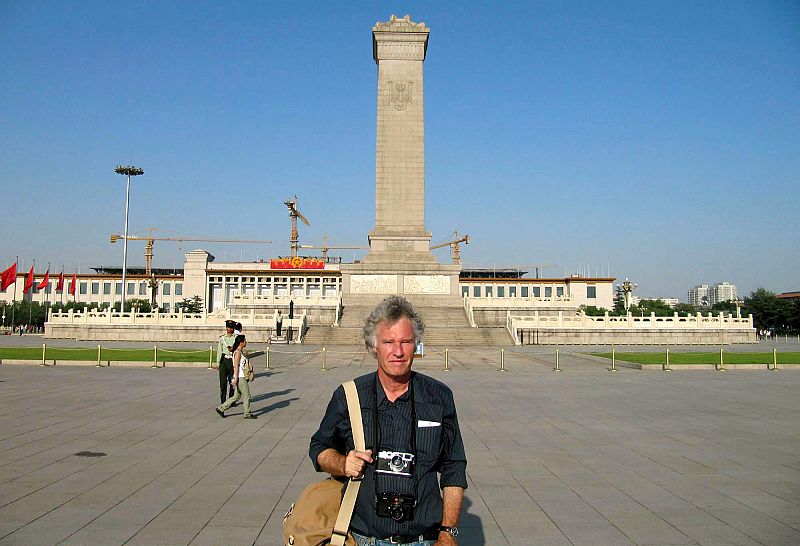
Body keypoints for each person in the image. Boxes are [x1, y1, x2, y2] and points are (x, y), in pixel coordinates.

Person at [310, 296, 467, 546]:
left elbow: (454, 465)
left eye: (406, 341)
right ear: (374, 345)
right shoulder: (349, 396)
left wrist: (448, 532)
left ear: (416, 345)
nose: (398, 351)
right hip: (364, 538)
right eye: (388, 342)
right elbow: (319, 448)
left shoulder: (439, 397)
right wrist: (342, 463)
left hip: (424, 539)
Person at [215, 334, 257, 419]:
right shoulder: (237, 353)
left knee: (236, 396)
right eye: (244, 341)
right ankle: (247, 413)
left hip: (241, 376)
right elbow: (236, 366)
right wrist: (236, 378)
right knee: (247, 395)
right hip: (240, 377)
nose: (246, 342)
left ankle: (221, 408)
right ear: (241, 342)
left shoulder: (239, 351)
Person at [217, 320, 237, 404]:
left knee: (232, 382)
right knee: (223, 383)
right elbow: (219, 351)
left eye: (231, 327)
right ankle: (223, 401)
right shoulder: (222, 338)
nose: (230, 329)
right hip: (224, 361)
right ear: (226, 328)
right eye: (228, 327)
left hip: (232, 360)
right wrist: (218, 363)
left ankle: (231, 400)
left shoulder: (236, 338)